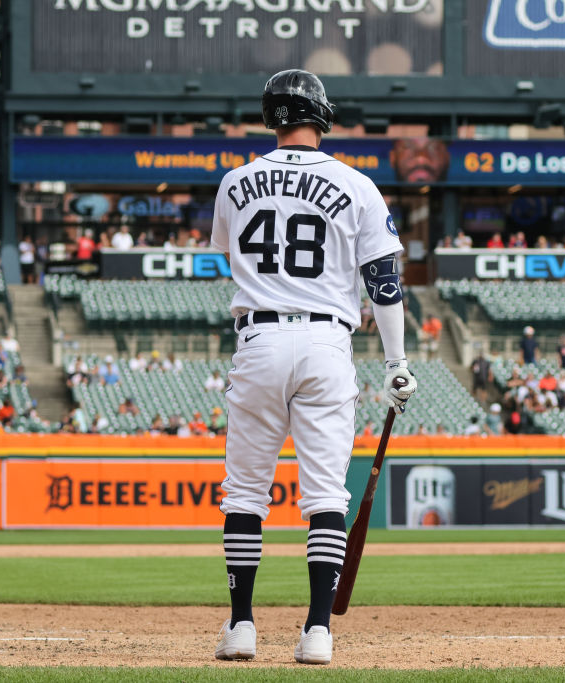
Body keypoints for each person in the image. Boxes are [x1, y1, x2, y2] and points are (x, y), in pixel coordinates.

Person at [209, 69, 417, 666]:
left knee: (245, 491)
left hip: (259, 338)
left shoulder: (235, 182)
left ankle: (241, 625)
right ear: (322, 115)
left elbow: (233, 257)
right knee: (326, 493)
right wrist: (397, 362)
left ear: (269, 114)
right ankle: (318, 631)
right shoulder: (357, 185)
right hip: (328, 342)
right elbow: (382, 282)